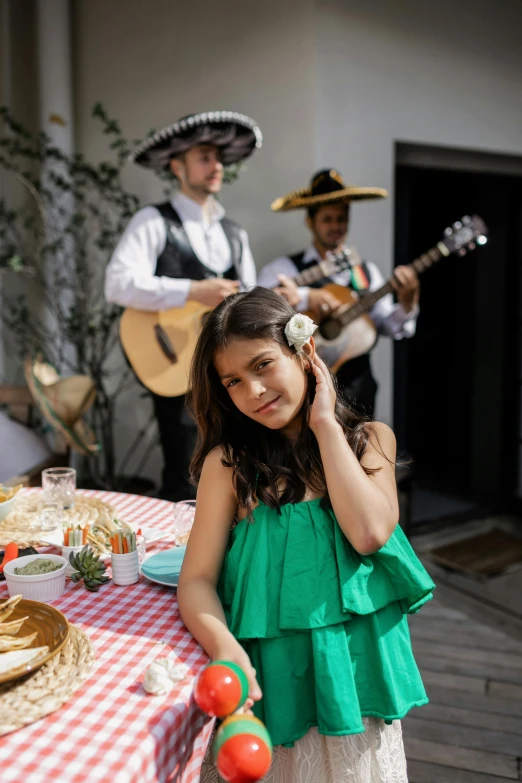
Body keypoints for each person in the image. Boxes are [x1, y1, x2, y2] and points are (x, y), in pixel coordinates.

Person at [178, 287, 435, 782]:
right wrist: (225, 647)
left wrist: (324, 426)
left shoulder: (370, 441)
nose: (252, 391)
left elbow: (369, 533)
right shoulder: (230, 465)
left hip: (355, 689)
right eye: (232, 381)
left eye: (262, 365)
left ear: (305, 352)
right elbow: (197, 580)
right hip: (271, 688)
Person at [105, 111, 271, 501]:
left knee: (239, 466)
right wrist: (193, 291)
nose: (216, 166)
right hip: (175, 367)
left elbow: (247, 297)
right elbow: (117, 284)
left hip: (229, 369)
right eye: (204, 157)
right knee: (185, 470)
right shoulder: (153, 221)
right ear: (177, 166)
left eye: (218, 158)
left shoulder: (235, 233)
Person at [259, 169, 420, 417]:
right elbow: (257, 306)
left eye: (342, 219)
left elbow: (387, 325)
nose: (336, 226)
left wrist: (408, 303)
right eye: (328, 219)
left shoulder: (366, 272)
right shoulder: (285, 269)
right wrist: (307, 297)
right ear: (310, 222)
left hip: (358, 389)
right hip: (304, 390)